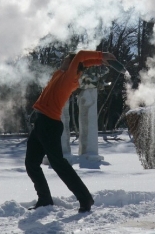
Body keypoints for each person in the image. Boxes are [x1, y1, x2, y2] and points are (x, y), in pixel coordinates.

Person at [25, 50, 116, 213]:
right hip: (40, 122)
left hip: (49, 124)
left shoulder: (69, 79)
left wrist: (103, 55)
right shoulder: (61, 74)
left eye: (67, 59)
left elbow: (80, 56)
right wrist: (98, 62)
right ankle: (44, 199)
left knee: (59, 164)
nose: (64, 59)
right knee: (31, 163)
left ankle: (85, 197)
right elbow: (82, 62)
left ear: (73, 65)